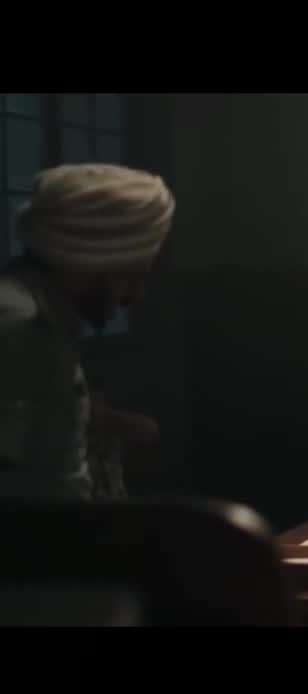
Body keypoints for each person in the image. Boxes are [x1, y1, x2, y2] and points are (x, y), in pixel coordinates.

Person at [0, 163, 175, 500]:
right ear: (93, 258)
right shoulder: (19, 325)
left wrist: (94, 420)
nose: (136, 294)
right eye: (132, 273)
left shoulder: (45, 321)